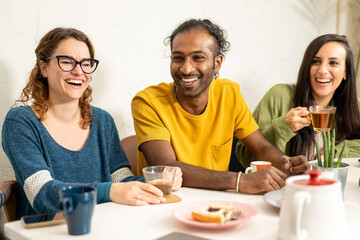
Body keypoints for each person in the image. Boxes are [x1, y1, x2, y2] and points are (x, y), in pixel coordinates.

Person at [1, 27, 182, 219]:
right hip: (48, 231)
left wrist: (157, 181)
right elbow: (42, 193)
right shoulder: (21, 122)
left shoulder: (103, 121)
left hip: (101, 225)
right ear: (44, 68)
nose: (79, 71)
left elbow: (120, 179)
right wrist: (111, 191)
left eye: (86, 63)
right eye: (67, 62)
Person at [131, 19, 310, 194]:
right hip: (162, 204)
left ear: (217, 63)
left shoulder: (229, 93)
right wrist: (239, 181)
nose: (186, 69)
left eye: (198, 58)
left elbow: (260, 147)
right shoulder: (147, 102)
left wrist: (286, 163)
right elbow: (167, 167)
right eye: (178, 58)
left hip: (217, 202)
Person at [236, 34, 360, 167]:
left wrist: (335, 152)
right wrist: (283, 126)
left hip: (329, 185)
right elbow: (244, 156)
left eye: (333, 63)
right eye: (316, 61)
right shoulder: (279, 96)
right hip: (285, 185)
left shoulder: (353, 106)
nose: (323, 70)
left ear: (346, 72)